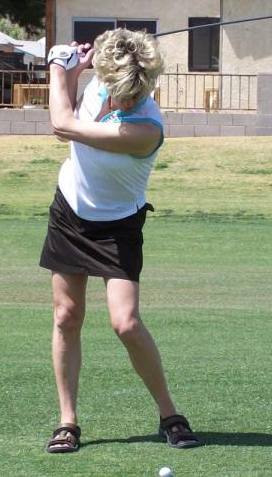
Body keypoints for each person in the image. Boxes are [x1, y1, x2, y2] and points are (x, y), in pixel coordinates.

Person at [39, 28, 199, 454]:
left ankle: (170, 414)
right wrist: (75, 71)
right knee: (66, 316)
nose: (127, 101)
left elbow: (62, 124)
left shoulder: (145, 129)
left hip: (118, 225)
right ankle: (67, 421)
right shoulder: (100, 84)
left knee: (125, 323)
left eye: (135, 94)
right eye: (121, 92)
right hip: (71, 211)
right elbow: (68, 125)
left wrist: (56, 65)